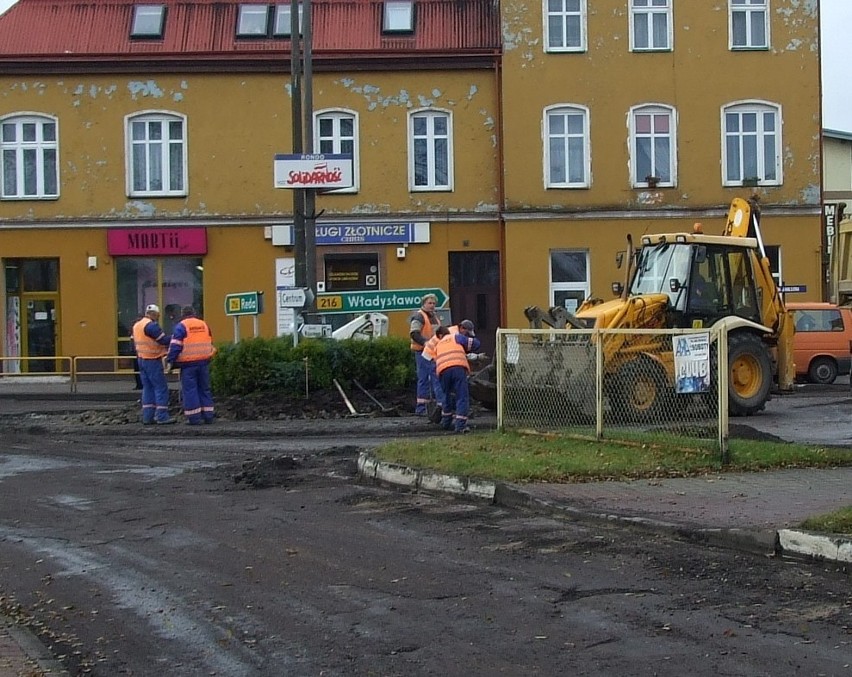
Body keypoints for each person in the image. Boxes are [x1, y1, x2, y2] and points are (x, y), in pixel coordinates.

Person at [166, 305, 216, 425]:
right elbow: (209, 341)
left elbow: (176, 346)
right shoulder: (204, 324)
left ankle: (194, 418)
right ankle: (208, 415)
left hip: (188, 364)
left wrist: (170, 361)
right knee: (204, 389)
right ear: (194, 313)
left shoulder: (181, 326)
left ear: (183, 314)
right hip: (204, 362)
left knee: (190, 390)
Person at [435, 319, 481, 434]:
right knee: (462, 396)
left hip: (442, 371)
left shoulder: (438, 344)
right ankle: (460, 426)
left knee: (446, 395)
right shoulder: (456, 337)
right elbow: (476, 344)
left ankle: (446, 422)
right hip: (457, 368)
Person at [132, 304, 176, 425]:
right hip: (152, 359)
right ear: (154, 314)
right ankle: (162, 416)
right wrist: (176, 337)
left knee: (148, 388)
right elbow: (163, 340)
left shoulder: (137, 325)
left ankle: (148, 417)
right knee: (161, 388)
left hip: (141, 359)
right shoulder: (151, 326)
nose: (158, 317)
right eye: (157, 315)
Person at [409, 293, 441, 416]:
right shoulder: (419, 316)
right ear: (424, 304)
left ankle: (431, 407)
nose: (432, 305)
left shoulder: (434, 317)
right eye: (430, 303)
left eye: (433, 303)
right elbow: (414, 333)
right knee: (424, 378)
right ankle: (421, 408)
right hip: (422, 351)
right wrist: (425, 342)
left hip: (432, 351)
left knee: (433, 378)